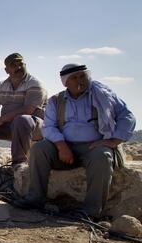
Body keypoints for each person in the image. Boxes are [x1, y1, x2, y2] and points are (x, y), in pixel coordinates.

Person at [18, 64, 136, 218]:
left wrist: (113, 141)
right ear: (65, 82)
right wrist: (61, 145)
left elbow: (127, 117)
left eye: (82, 76)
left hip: (93, 147)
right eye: (74, 77)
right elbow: (49, 127)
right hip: (65, 147)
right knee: (39, 149)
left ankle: (90, 210)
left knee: (102, 156)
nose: (80, 80)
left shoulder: (102, 95)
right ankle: (35, 199)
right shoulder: (56, 101)